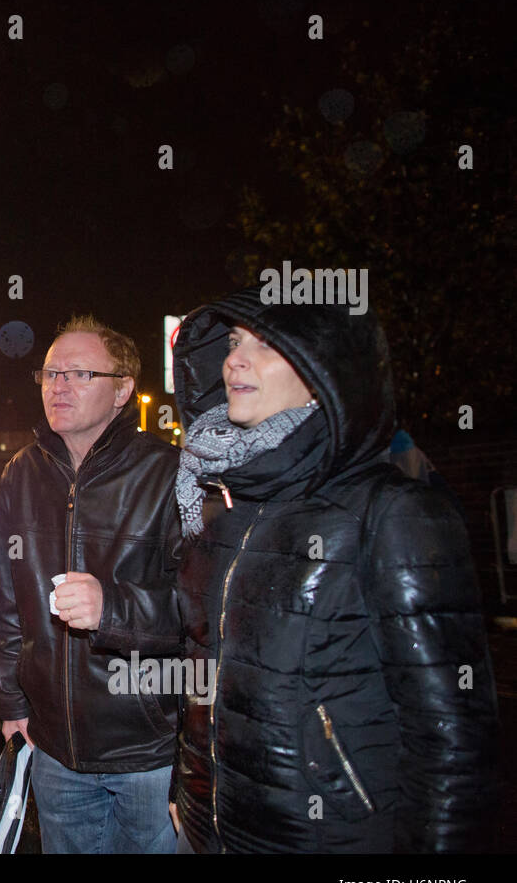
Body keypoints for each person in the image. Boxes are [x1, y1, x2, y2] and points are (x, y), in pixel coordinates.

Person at [169, 288, 499, 852]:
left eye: (266, 343)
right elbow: (204, 670)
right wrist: (193, 791)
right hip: (213, 832)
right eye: (233, 341)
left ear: (327, 373)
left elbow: (452, 741)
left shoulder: (394, 512)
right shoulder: (222, 503)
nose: (234, 360)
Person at [0, 316, 182, 853]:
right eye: (50, 374)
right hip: (54, 750)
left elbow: (206, 615)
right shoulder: (20, 474)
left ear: (123, 389)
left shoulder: (171, 474)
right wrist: (11, 703)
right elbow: (7, 605)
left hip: (148, 752)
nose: (59, 386)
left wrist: (113, 608)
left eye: (78, 373)